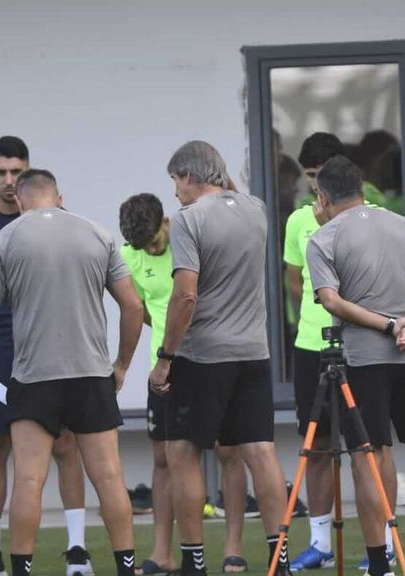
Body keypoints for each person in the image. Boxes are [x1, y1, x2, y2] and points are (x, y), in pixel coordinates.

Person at [0, 168, 143, 576]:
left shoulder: (4, 240)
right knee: (109, 478)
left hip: (35, 378)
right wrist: (122, 364)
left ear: (19, 202)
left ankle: (21, 570)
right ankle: (127, 568)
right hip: (91, 375)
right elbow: (133, 307)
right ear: (59, 197)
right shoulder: (97, 234)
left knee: (29, 481)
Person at [305, 155, 405, 576]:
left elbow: (332, 300)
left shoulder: (323, 238)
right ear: (363, 189)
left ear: (323, 196)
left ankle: (381, 562)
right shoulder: (403, 224)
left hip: (364, 360)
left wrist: (391, 325)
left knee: (370, 459)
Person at [148, 141, 292, 576]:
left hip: (202, 354)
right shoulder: (256, 209)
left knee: (182, 453)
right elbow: (226, 188)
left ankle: (194, 561)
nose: (174, 192)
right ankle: (278, 559)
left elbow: (186, 294)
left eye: (176, 180)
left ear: (191, 176)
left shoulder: (188, 221)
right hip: (253, 352)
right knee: (260, 451)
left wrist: (166, 356)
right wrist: (217, 171)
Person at [0, 136, 92, 576]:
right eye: (1, 172)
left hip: (50, 345)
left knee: (65, 443)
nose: (9, 181)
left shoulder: (62, 221)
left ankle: (76, 550)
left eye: (16, 172)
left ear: (28, 171)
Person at [118, 193, 250, 575]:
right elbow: (141, 311)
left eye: (156, 242)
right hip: (165, 369)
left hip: (214, 362)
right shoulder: (132, 255)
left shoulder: (191, 242)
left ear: (166, 223)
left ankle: (233, 548)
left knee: (228, 452)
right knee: (164, 459)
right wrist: (166, 346)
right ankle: (163, 552)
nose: (152, 250)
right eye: (144, 247)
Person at [283, 132, 395, 572]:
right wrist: (312, 314)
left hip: (360, 346)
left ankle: (381, 542)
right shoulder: (297, 221)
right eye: (310, 177)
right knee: (315, 445)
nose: (315, 188)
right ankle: (319, 542)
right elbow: (294, 278)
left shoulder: (371, 215)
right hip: (312, 346)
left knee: (368, 447)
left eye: (321, 177)